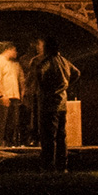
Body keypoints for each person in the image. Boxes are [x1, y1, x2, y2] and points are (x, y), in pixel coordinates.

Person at [27, 36, 79, 172]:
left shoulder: (48, 61)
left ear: (47, 48)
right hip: (62, 102)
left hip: (49, 103)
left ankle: (48, 165)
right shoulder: (64, 61)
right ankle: (62, 164)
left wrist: (43, 86)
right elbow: (77, 73)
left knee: (48, 136)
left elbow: (39, 71)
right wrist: (66, 85)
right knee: (61, 136)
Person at [0, 41, 25, 147]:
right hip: (4, 95)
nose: (16, 52)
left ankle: (10, 141)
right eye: (14, 50)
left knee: (13, 121)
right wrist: (2, 94)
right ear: (7, 50)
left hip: (14, 96)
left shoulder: (15, 64)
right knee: (2, 120)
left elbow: (21, 79)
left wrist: (22, 92)